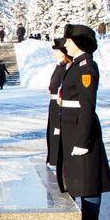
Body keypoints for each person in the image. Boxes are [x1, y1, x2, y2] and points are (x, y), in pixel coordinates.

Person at [55, 24, 110, 220]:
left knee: (89, 184)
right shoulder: (76, 65)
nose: (65, 44)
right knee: (77, 181)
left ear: (78, 42)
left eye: (68, 40)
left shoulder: (86, 67)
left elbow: (88, 106)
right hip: (72, 129)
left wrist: (82, 139)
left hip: (81, 132)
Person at [46, 39, 68, 167]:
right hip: (54, 103)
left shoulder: (65, 67)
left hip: (59, 104)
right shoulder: (59, 66)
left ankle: (56, 157)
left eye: (57, 51)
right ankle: (53, 157)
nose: (54, 53)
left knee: (57, 131)